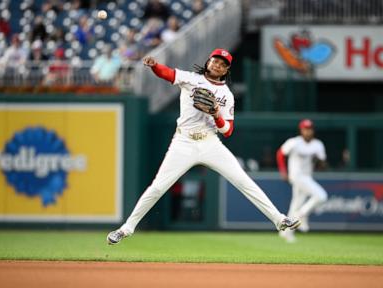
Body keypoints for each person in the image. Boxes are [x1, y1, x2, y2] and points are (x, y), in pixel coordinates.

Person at [107, 48, 301, 244]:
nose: (218, 65)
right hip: (183, 142)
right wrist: (155, 66)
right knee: (158, 187)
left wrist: (217, 114)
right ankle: (126, 228)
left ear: (226, 70)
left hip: (210, 143)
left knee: (244, 181)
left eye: (223, 64)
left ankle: (279, 219)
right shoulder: (190, 78)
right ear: (208, 62)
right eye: (215, 61)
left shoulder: (226, 95)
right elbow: (168, 73)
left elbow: (228, 131)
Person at [276, 119, 328, 243]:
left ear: (313, 130)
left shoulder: (318, 144)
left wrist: (318, 161)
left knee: (296, 204)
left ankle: (285, 232)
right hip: (296, 176)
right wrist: (283, 171)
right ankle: (302, 214)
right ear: (301, 130)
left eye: (310, 129)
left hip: (307, 176)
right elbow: (280, 154)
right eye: (305, 129)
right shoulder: (294, 142)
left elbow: (323, 165)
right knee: (321, 196)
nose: (308, 131)